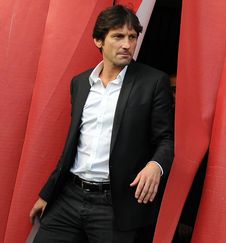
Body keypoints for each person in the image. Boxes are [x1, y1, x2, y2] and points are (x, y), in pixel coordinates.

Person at [29, 5, 174, 242]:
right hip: (68, 198)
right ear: (98, 40)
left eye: (132, 37)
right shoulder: (80, 83)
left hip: (114, 205)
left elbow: (166, 139)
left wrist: (155, 166)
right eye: (118, 36)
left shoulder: (153, 82)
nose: (127, 44)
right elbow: (73, 146)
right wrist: (47, 194)